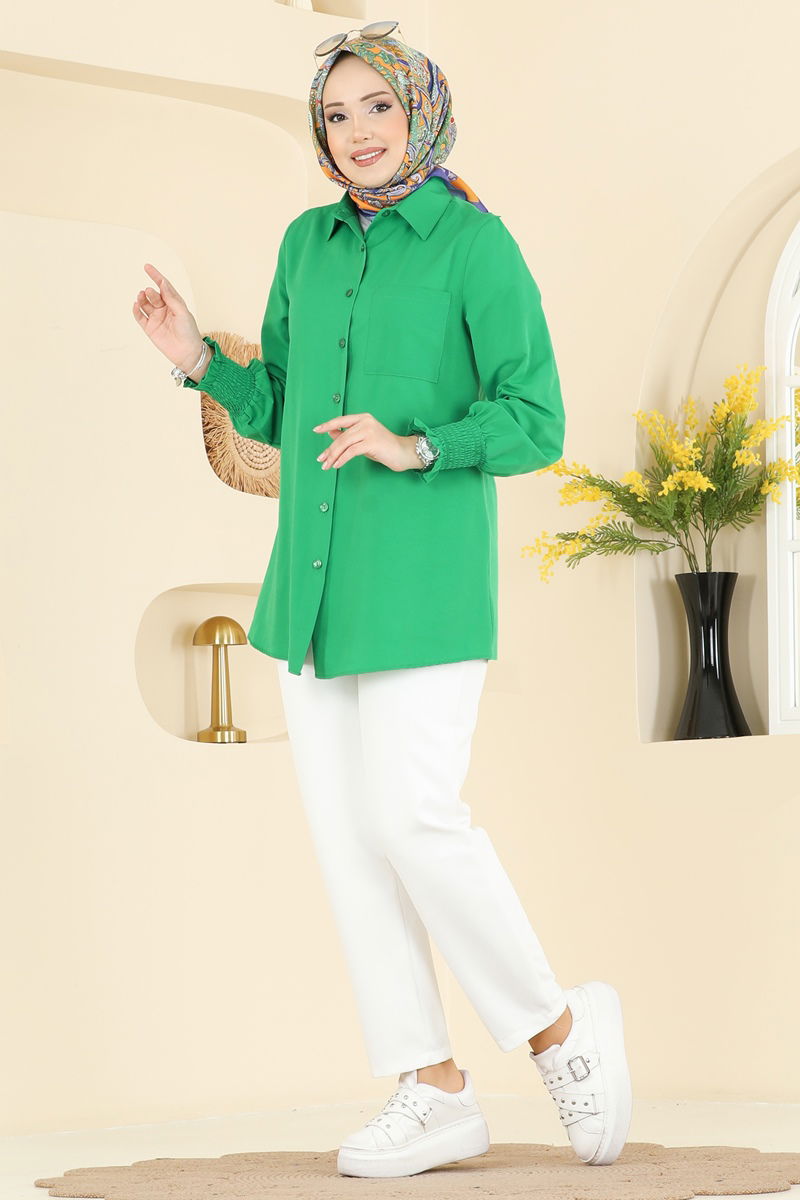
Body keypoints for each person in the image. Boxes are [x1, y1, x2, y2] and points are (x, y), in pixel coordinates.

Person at [132, 23, 632, 1181]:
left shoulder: (473, 242)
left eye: (377, 108)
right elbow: (279, 406)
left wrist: (416, 445)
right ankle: (431, 1086)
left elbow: (536, 420)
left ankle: (557, 1031)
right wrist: (196, 360)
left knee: (413, 819)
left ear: (420, 111)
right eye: (336, 113)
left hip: (421, 587)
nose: (356, 131)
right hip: (309, 595)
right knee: (352, 847)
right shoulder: (304, 244)